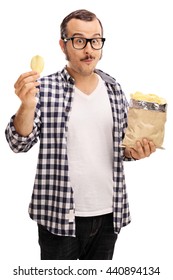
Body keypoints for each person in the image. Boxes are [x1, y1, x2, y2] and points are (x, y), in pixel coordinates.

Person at [5, 9, 156, 260]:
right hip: (58, 215)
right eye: (79, 40)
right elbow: (18, 143)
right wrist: (26, 106)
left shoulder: (114, 88)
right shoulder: (44, 88)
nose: (89, 49)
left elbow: (121, 148)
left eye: (95, 40)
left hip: (110, 214)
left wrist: (135, 151)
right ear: (63, 45)